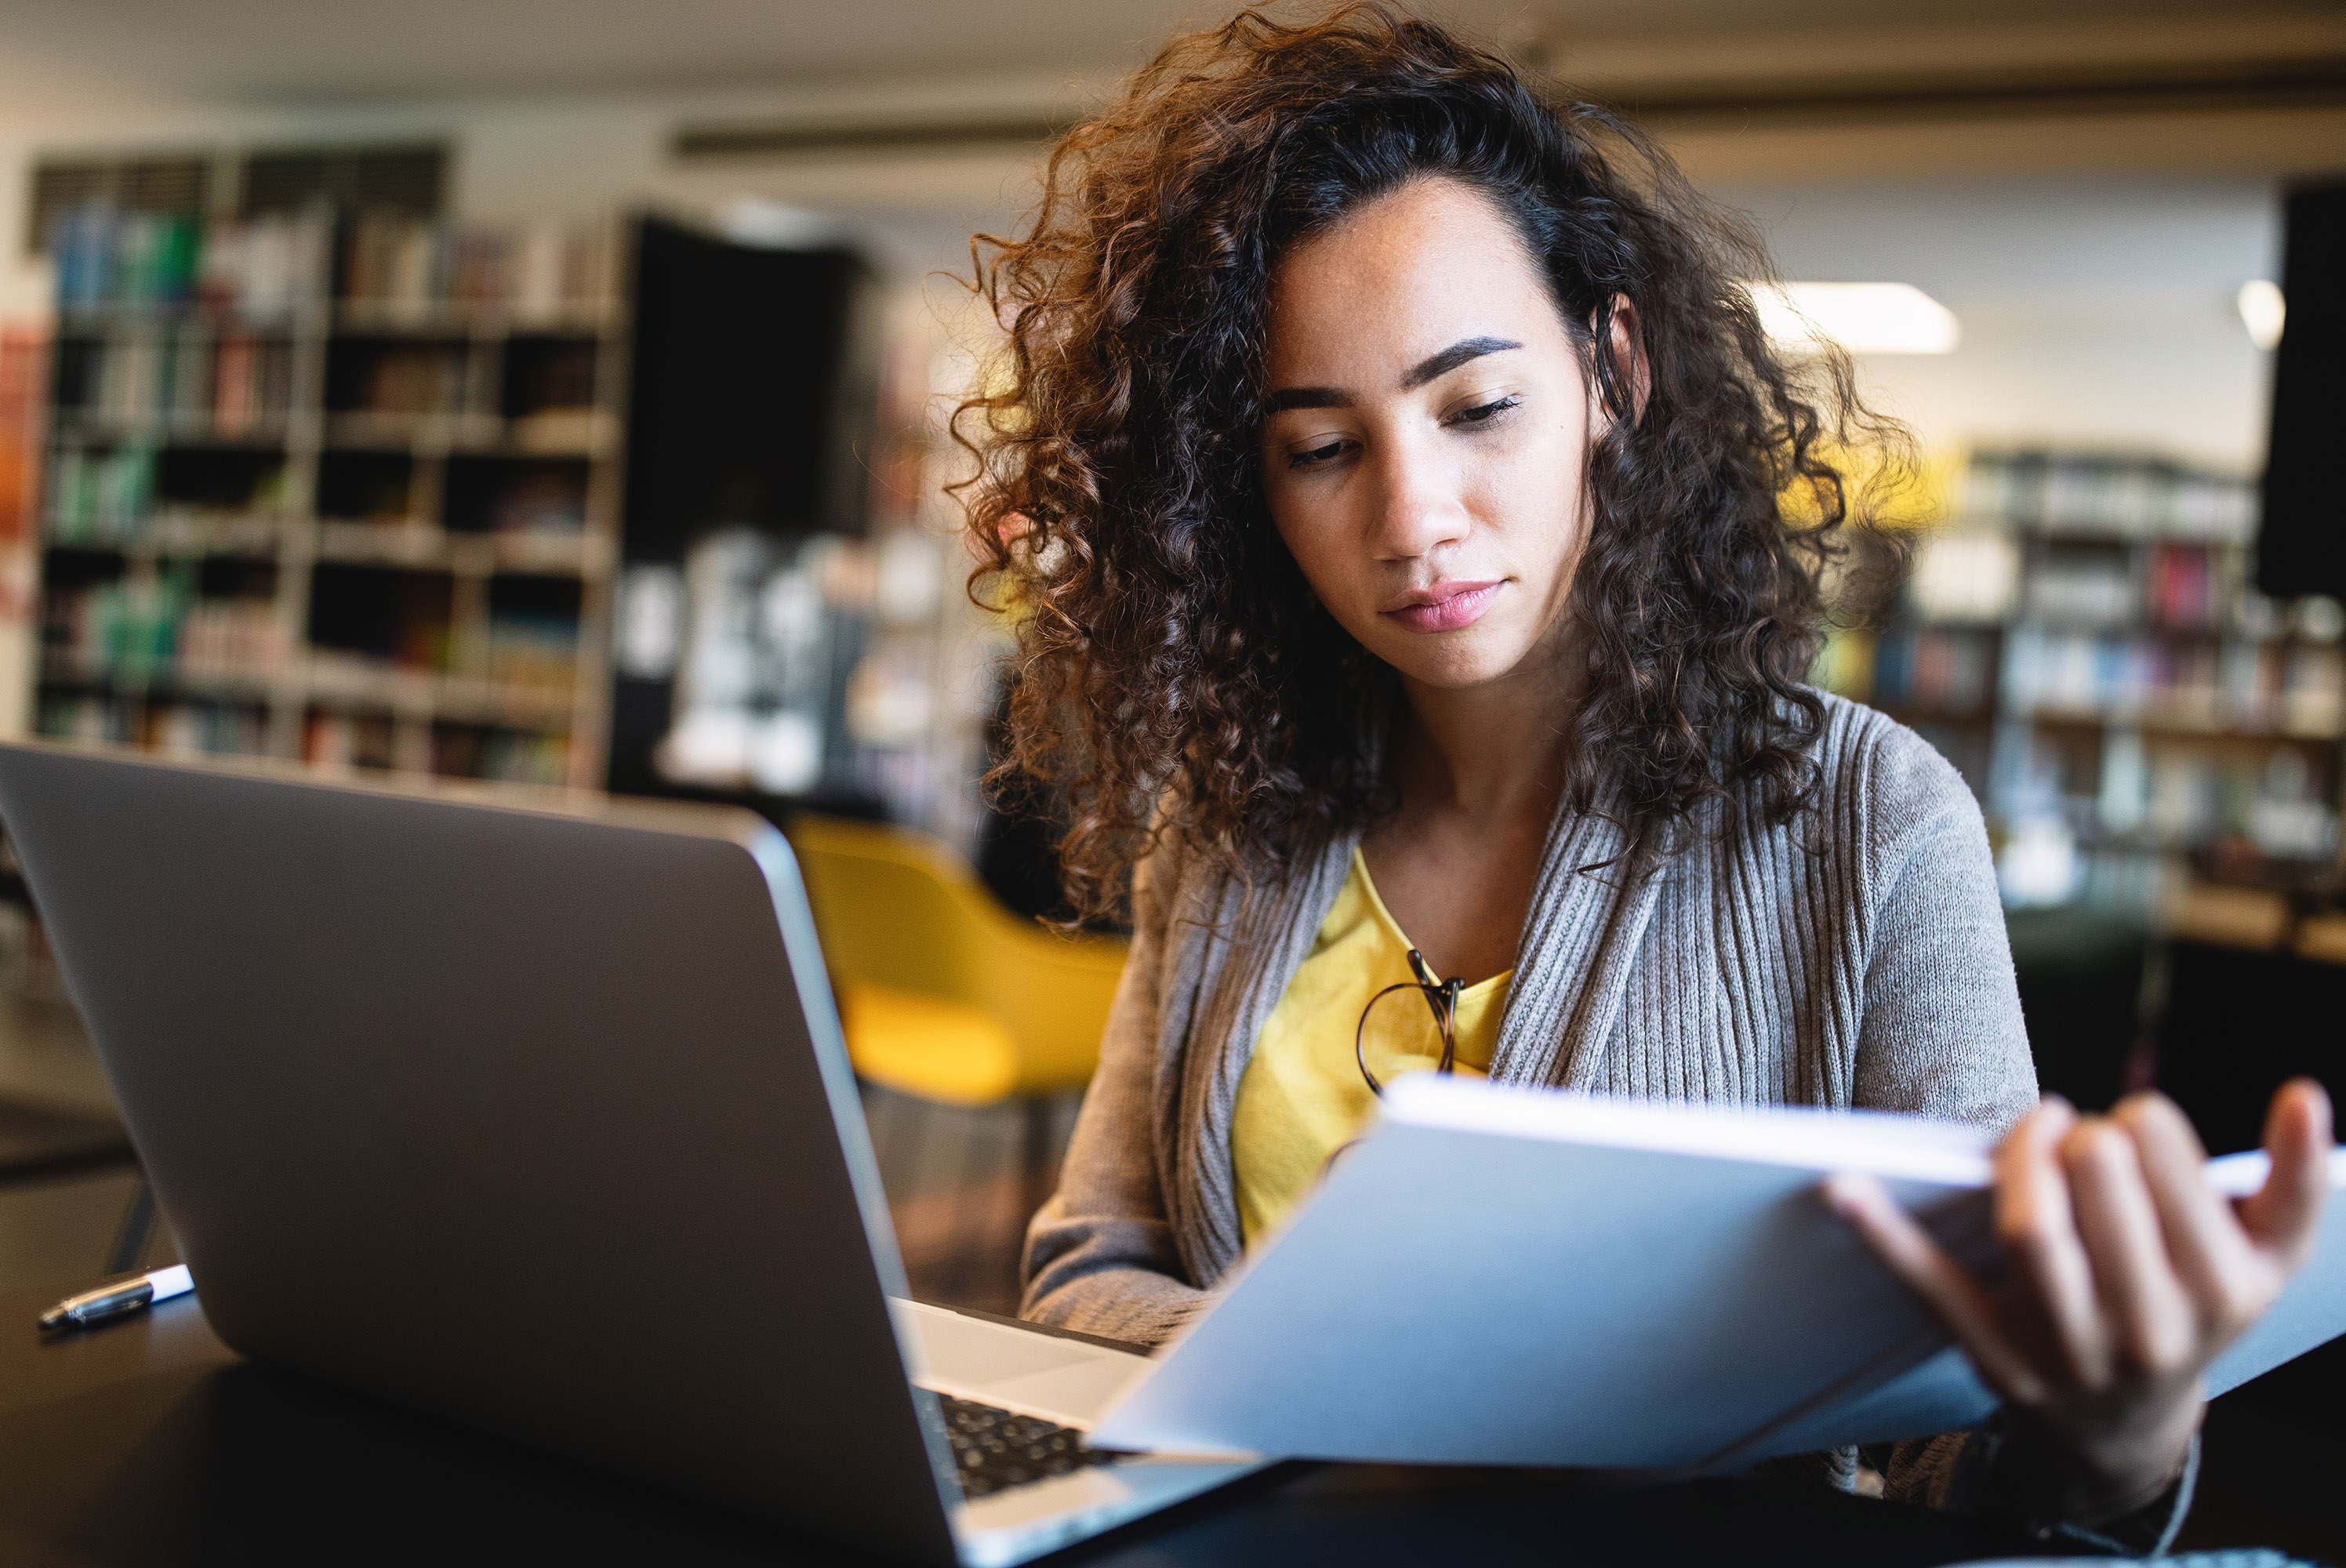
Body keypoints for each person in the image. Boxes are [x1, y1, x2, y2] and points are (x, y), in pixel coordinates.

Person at [954, 4, 2333, 1550]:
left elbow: (1964, 1451)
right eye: (1322, 449)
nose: (1416, 517)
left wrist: (2125, 1434)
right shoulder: (1234, 826)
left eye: (1478, 409)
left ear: (1612, 371)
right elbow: (1084, 1268)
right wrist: (1365, 1395)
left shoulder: (1872, 824)